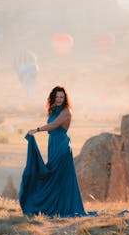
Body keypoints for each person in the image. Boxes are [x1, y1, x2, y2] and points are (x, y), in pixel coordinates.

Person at [19, 85, 93, 217]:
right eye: (57, 96)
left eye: (62, 97)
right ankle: (55, 206)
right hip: (53, 144)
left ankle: (58, 207)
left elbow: (54, 125)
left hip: (62, 146)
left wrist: (36, 130)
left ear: (65, 98)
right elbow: (52, 124)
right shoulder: (53, 110)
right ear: (53, 97)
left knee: (54, 175)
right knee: (55, 176)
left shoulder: (66, 111)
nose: (59, 99)